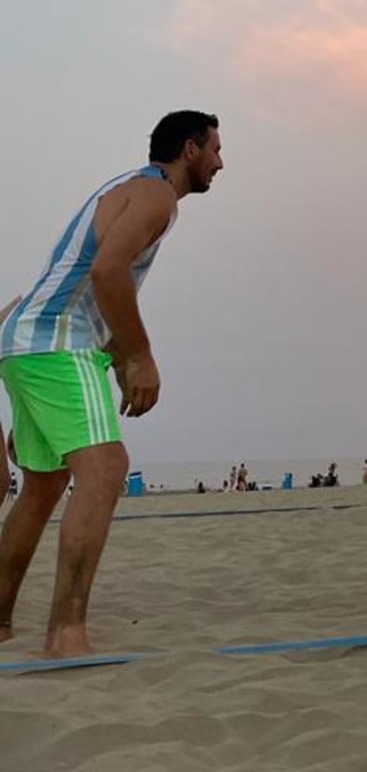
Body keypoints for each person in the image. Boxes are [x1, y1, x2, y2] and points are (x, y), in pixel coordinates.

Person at [0, 110, 222, 657]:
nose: (221, 162)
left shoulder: (129, 189)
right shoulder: (157, 197)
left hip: (25, 339)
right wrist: (140, 356)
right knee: (105, 468)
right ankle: (66, 634)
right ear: (189, 149)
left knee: (44, 486)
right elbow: (106, 272)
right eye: (215, 149)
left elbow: (86, 277)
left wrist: (118, 353)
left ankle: (0, 623)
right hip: (55, 342)